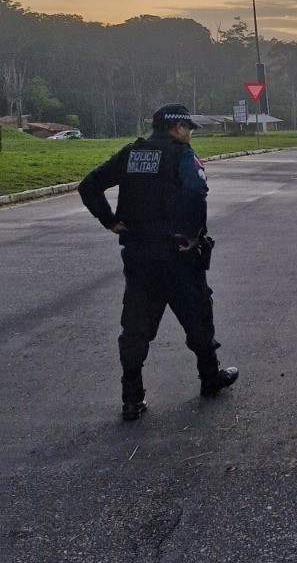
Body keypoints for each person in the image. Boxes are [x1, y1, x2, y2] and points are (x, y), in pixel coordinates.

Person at [79, 103, 238, 420]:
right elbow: (195, 190)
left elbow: (89, 185)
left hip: (140, 256)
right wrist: (193, 235)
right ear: (177, 128)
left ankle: (131, 398)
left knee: (135, 327)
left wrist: (109, 220)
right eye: (189, 128)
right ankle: (210, 379)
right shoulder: (182, 155)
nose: (191, 134)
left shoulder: (131, 153)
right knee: (197, 318)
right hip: (178, 256)